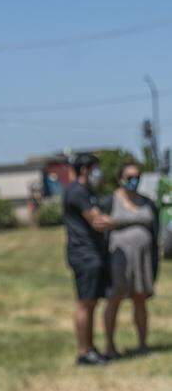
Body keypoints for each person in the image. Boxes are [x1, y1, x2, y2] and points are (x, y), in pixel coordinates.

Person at [103, 160, 160, 357]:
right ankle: (109, 346)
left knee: (140, 299)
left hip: (142, 258)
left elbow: (155, 228)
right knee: (115, 298)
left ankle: (143, 344)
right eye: (130, 177)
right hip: (119, 259)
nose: (134, 181)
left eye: (137, 177)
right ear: (120, 179)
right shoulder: (110, 201)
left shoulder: (147, 202)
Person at [63, 153, 113, 365]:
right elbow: (97, 222)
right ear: (85, 169)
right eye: (96, 169)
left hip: (92, 253)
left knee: (91, 303)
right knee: (85, 304)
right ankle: (84, 352)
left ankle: (90, 348)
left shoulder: (85, 191)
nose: (98, 174)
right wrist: (123, 220)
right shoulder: (77, 192)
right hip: (85, 254)